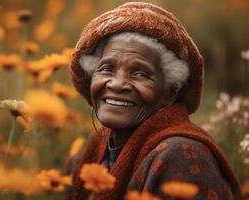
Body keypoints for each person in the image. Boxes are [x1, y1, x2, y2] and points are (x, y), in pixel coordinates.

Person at [66, 2, 243, 200]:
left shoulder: (181, 157)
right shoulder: (87, 157)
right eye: (106, 68)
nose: (117, 84)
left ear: (169, 92)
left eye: (140, 73)